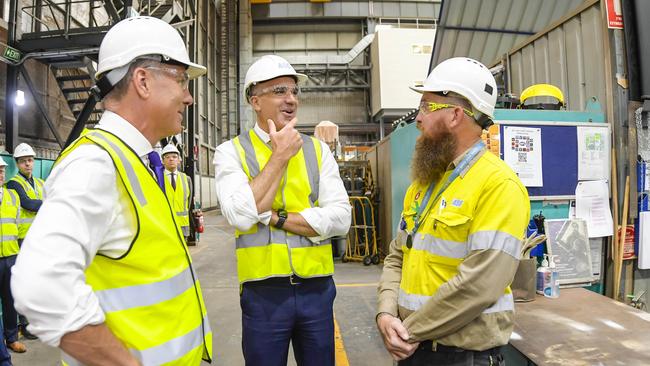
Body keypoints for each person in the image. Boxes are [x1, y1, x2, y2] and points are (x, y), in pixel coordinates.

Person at [11, 16, 213, 365]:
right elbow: (40, 286)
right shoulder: (96, 164)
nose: (189, 96)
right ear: (143, 81)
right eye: (181, 80)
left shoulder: (136, 161)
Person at [376, 57, 530, 365]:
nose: (417, 119)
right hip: (412, 347)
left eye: (425, 107)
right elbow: (397, 257)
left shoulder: (498, 185)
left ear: (456, 115)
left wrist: (406, 331)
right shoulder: (423, 185)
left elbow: (479, 286)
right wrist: (385, 313)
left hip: (461, 357)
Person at [214, 54, 351, 366]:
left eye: (294, 91)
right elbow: (240, 215)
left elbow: (342, 218)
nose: (290, 100)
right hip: (263, 294)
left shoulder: (317, 151)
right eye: (278, 91)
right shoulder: (230, 153)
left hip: (317, 290)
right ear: (255, 102)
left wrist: (276, 216)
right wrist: (279, 157)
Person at [5, 142, 42, 342]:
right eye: (23, 161)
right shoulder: (13, 184)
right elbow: (29, 204)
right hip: (21, 242)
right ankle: (24, 324)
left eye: (30, 160)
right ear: (17, 164)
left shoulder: (40, 183)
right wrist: (52, 202)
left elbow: (39, 203)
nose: (27, 164)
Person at [0, 158, 24, 355]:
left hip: (10, 255)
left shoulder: (13, 196)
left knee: (10, 300)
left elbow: (15, 223)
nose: (0, 174)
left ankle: (11, 338)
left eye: (2, 170)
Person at [162, 143, 193, 240]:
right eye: (167, 157)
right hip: (164, 226)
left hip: (182, 226)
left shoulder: (186, 179)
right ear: (162, 161)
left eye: (174, 157)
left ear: (179, 160)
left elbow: (189, 202)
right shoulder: (158, 179)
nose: (171, 159)